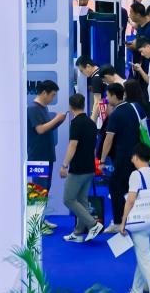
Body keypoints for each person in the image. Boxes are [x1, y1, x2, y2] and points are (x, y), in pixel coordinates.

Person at [116, 143, 150, 293]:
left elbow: (130, 200)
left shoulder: (135, 175)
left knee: (144, 259)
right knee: (144, 256)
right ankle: (136, 289)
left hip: (140, 222)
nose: (131, 159)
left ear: (136, 157)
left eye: (132, 157)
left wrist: (123, 222)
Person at [59, 93, 104, 243]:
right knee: (82, 200)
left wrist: (64, 165)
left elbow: (73, 145)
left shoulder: (76, 123)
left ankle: (93, 225)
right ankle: (78, 233)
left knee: (68, 199)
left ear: (71, 106)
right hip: (89, 167)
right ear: (83, 105)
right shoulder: (91, 123)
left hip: (78, 169)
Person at [100, 82, 143, 232]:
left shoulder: (116, 114)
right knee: (130, 187)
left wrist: (102, 160)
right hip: (138, 156)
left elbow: (108, 139)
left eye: (107, 95)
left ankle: (119, 222)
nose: (106, 98)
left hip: (123, 157)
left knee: (115, 187)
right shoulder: (134, 107)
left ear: (113, 96)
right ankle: (132, 219)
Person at [26, 80, 67, 207]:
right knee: (38, 190)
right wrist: (56, 119)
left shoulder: (43, 108)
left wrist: (59, 121)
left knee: (45, 189)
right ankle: (34, 218)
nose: (53, 98)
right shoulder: (32, 109)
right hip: (37, 156)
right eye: (52, 95)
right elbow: (40, 130)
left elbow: (47, 129)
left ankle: (41, 216)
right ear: (44, 93)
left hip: (47, 155)